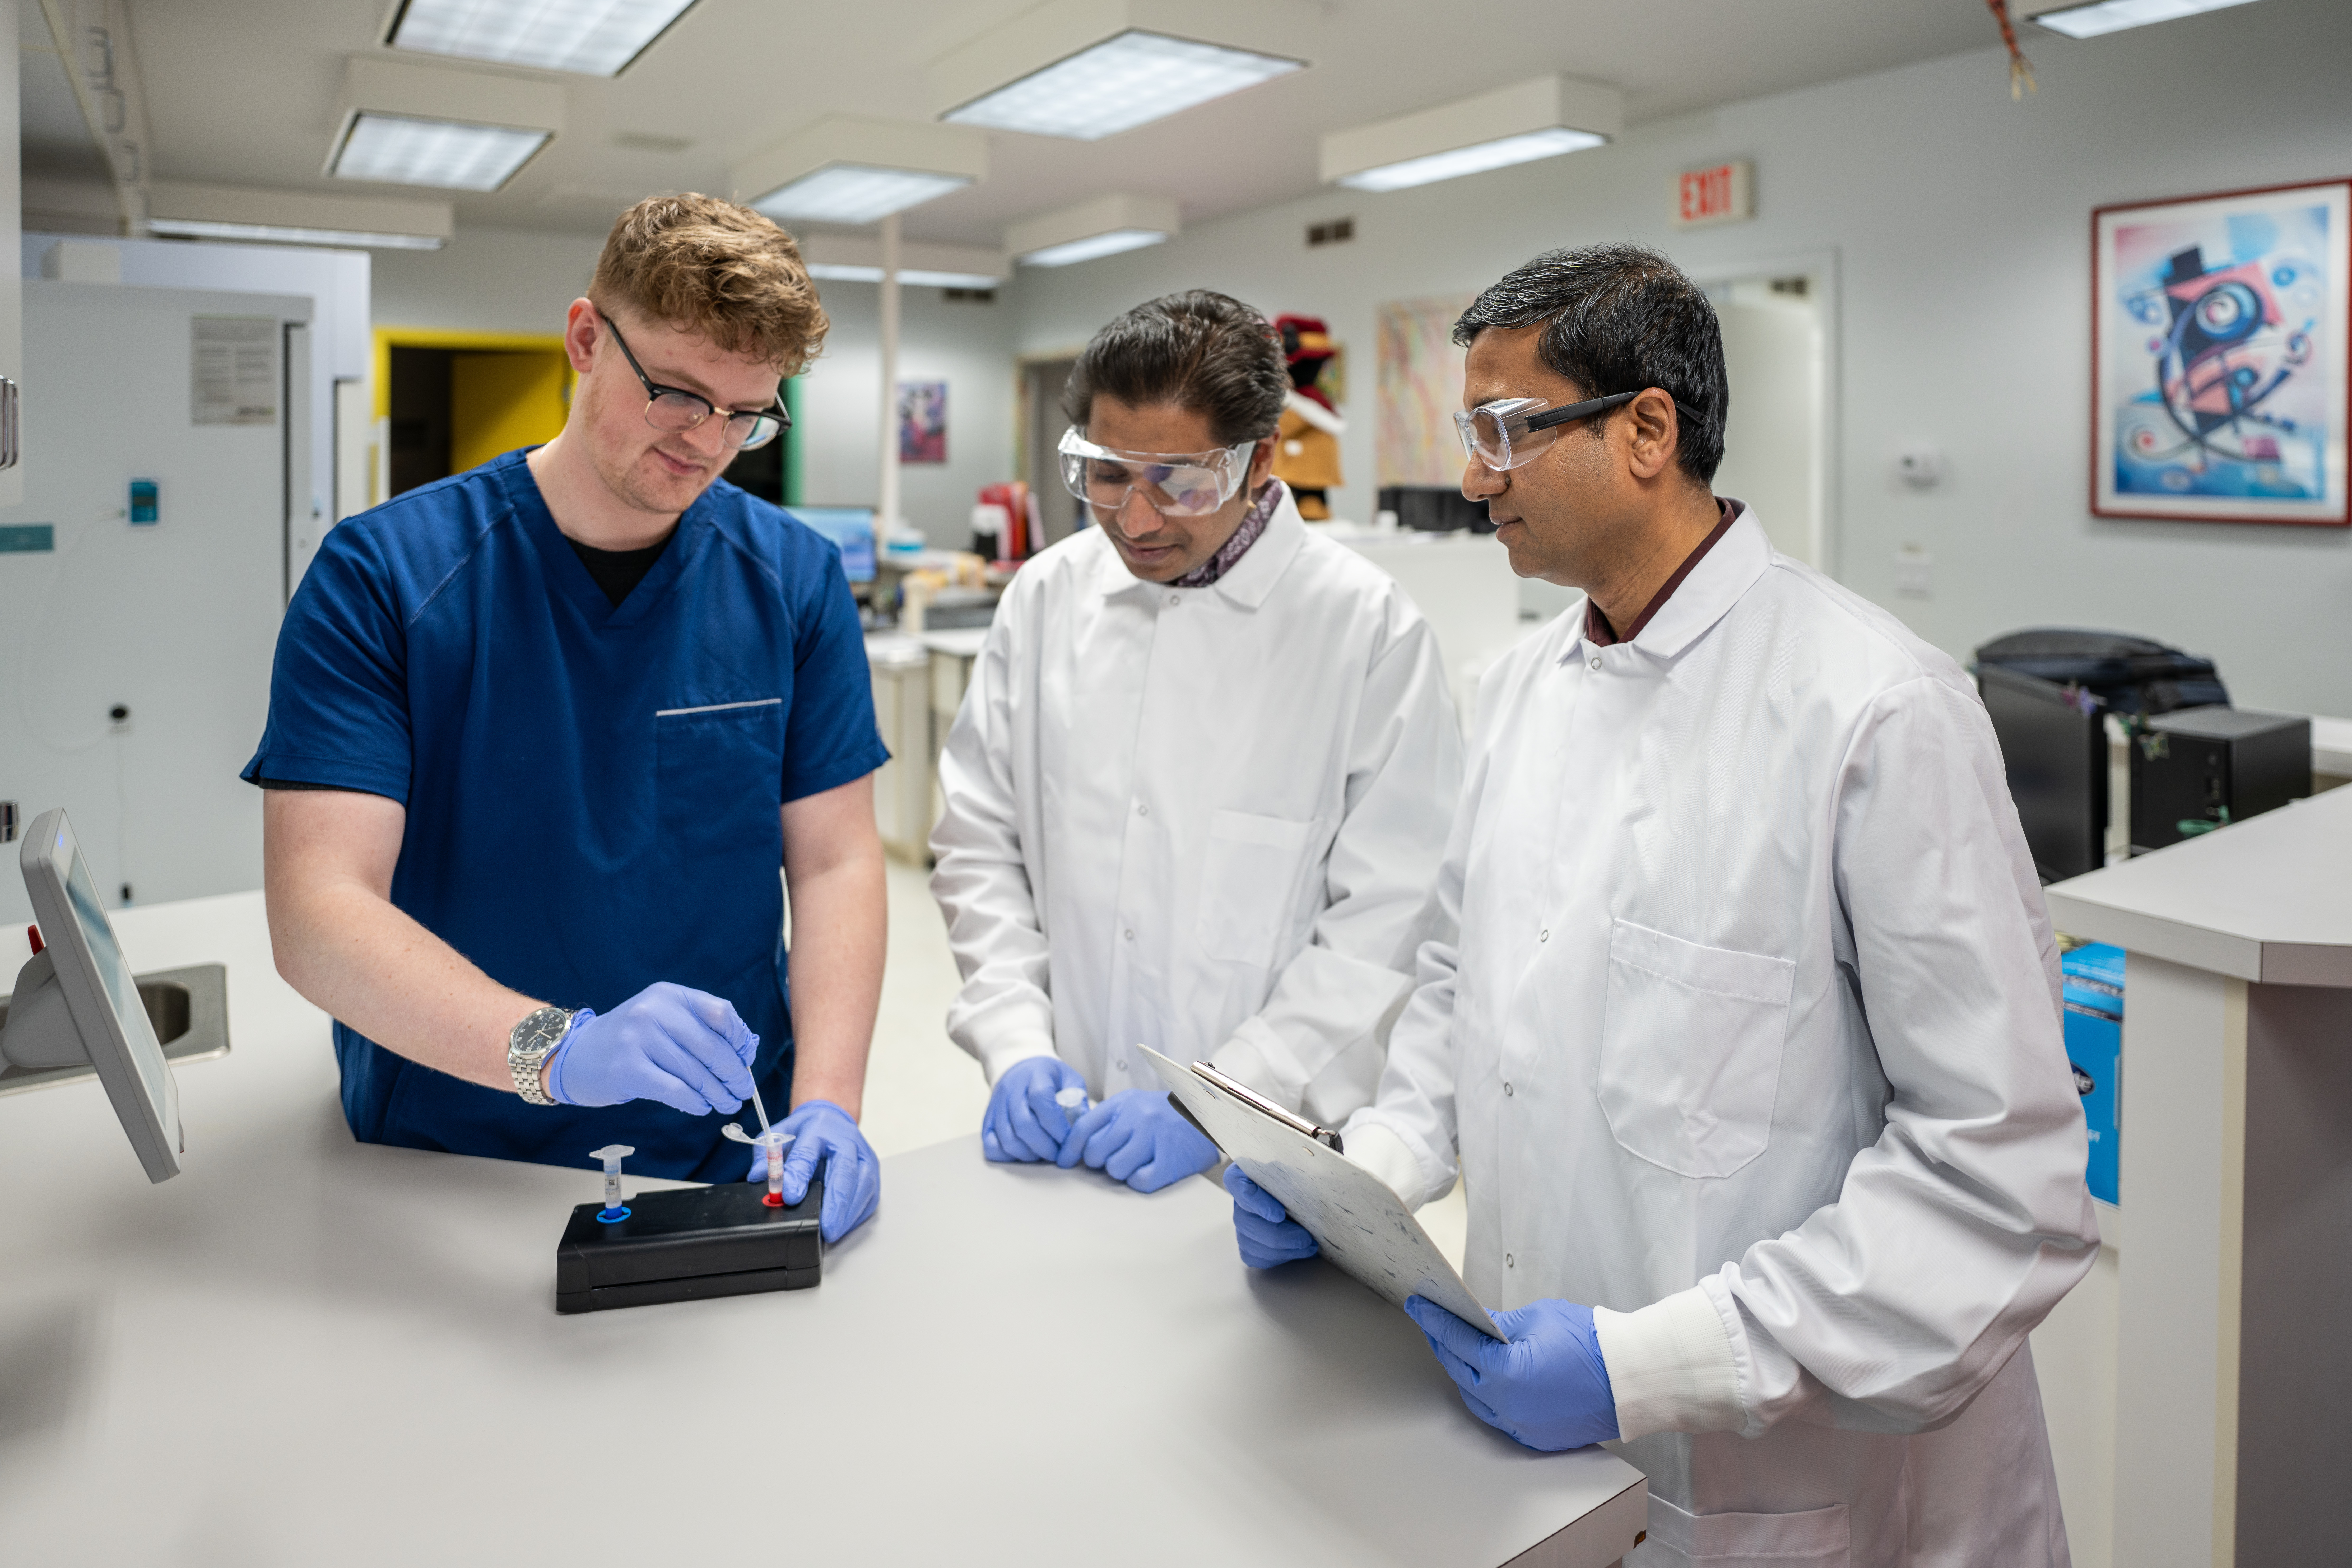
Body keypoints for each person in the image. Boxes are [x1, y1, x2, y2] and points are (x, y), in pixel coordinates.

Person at [1226, 245, 2099, 1564]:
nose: (1475, 479)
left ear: (1647, 431)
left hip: (1805, 1485)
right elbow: (1463, 982)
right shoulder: (1518, 688)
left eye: (1508, 431)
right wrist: (1370, 1182)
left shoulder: (1876, 710)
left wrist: (1652, 1364)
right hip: (1552, 1459)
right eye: (1471, 435)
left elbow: (1999, 1180)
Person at [246, 195, 886, 1241]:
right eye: (678, 394)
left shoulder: (793, 578)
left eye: (748, 413)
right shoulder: (384, 577)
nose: (709, 441)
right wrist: (557, 1049)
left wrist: (829, 1101)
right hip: (446, 1154)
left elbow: (835, 863)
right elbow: (319, 911)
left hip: (723, 1152)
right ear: (587, 339)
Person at [932, 290, 1463, 1193]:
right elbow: (981, 841)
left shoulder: (1366, 629)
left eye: (1180, 482)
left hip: (1271, 1160)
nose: (1138, 521)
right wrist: (1015, 1039)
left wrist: (1223, 1099)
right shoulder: (1047, 598)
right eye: (1107, 474)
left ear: (1261, 460)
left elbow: (1391, 918)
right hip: (1069, 1130)